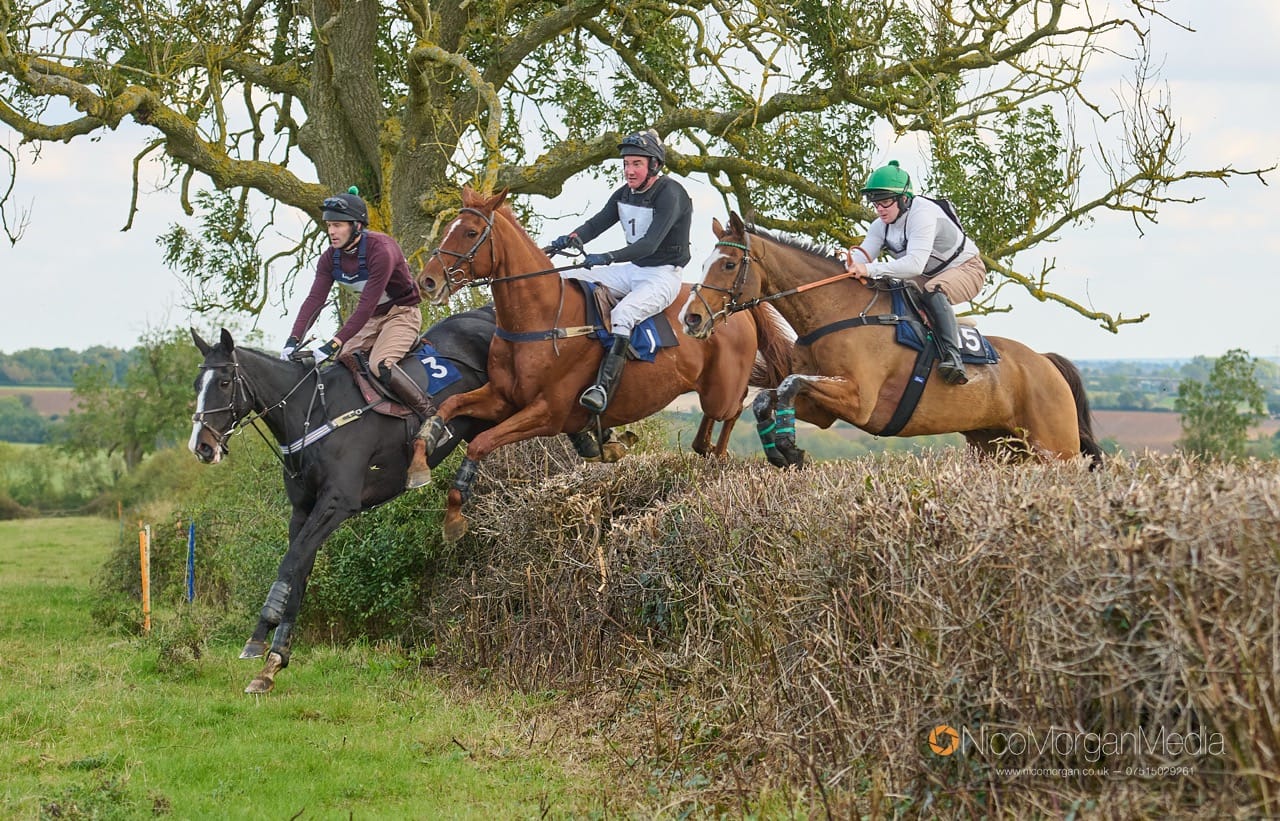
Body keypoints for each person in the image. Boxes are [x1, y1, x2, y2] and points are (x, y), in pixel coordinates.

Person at [547, 128, 693, 412]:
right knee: (564, 277)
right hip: (632, 269)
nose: (629, 170)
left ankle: (603, 388)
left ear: (654, 165)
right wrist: (571, 238)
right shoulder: (624, 193)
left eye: (636, 163)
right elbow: (596, 223)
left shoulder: (671, 194)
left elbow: (649, 245)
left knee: (623, 314)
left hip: (662, 275)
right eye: (626, 164)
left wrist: (608, 257)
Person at [282, 187, 432, 416]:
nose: (331, 232)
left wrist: (331, 344)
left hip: (402, 313)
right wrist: (293, 340)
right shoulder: (329, 259)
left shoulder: (381, 250)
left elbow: (365, 306)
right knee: (343, 362)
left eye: (338, 225)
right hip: (372, 319)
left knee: (379, 365)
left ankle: (429, 414)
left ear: (357, 226)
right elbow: (314, 300)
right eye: (329, 225)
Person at [843, 161, 986, 385]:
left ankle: (953, 357)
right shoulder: (880, 225)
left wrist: (869, 269)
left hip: (966, 269)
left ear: (904, 199)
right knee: (887, 289)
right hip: (928, 273)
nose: (880, 209)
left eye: (885, 201)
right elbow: (862, 258)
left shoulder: (923, 214)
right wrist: (846, 266)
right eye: (876, 202)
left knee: (933, 290)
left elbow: (914, 266)